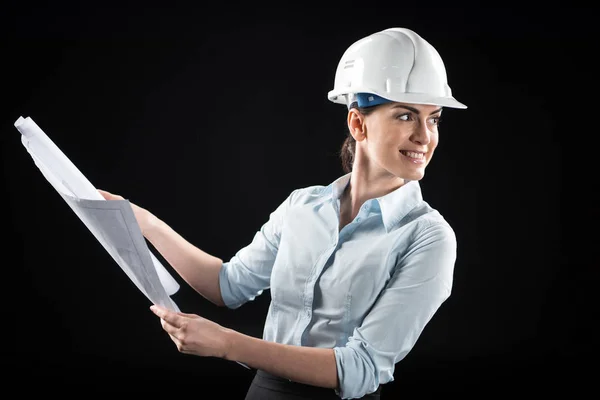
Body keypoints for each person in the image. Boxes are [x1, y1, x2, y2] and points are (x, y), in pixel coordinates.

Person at [99, 27, 467, 399]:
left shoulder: (428, 237)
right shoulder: (302, 207)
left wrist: (229, 344)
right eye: (406, 116)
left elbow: (362, 367)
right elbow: (228, 285)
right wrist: (141, 220)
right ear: (358, 124)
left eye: (433, 118)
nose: (425, 136)